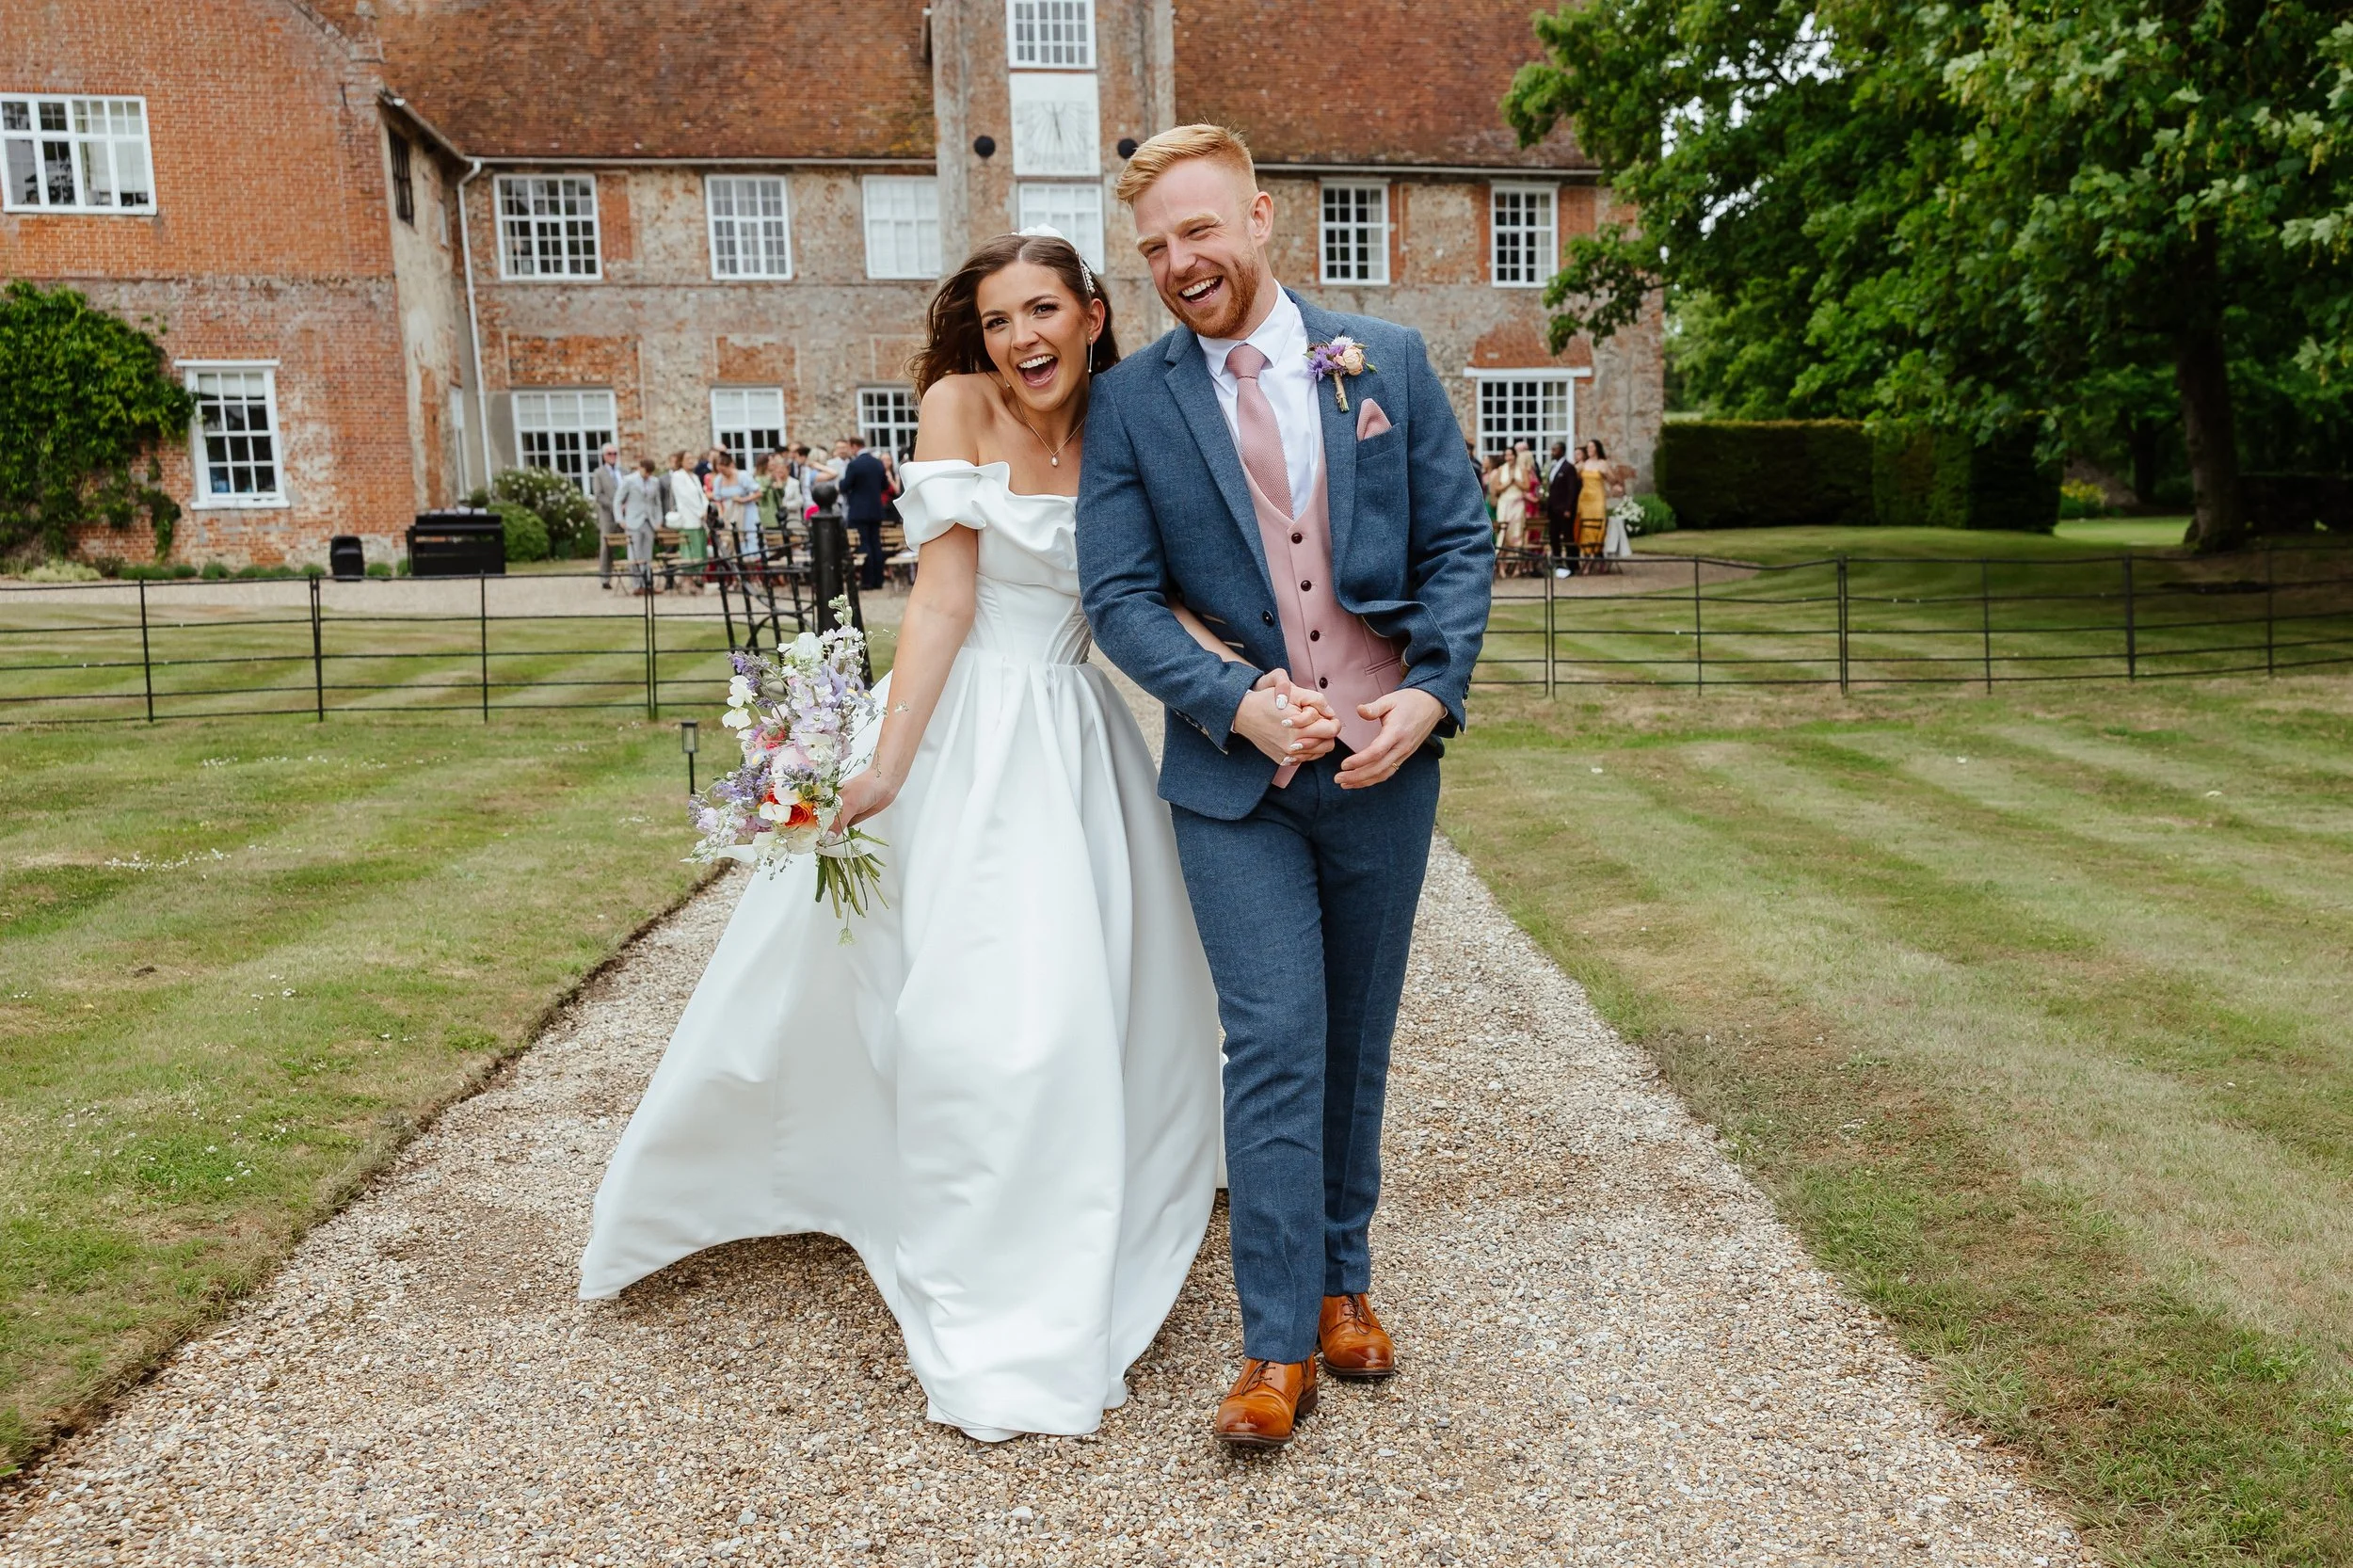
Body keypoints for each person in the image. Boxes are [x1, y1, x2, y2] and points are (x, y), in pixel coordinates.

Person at [581, 227, 1231, 1445]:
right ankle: (915, 1200)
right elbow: (945, 591)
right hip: (961, 731)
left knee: (1091, 995)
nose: (1021, 337)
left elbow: (1164, 587)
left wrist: (1264, 668)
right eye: (998, 319)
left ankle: (1073, 1190)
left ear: (1093, 313)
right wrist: (886, 764)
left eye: (1043, 309)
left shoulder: (1137, 418)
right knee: (927, 999)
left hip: (1080, 735)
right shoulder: (954, 406)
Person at [1079, 124, 1494, 1448]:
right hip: (1231, 782)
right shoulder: (1134, 401)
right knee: (1270, 1037)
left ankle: (1339, 1282)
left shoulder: (1390, 359)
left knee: (1357, 1034)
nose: (1177, 262)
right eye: (1152, 248)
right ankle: (1269, 1347)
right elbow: (1122, 599)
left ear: (1258, 217)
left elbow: (1462, 541)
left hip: (1386, 763)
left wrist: (1427, 696)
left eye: (1197, 231)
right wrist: (1236, 704)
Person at [836, 435, 890, 592]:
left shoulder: (854, 465)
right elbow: (885, 485)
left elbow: (845, 486)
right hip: (876, 509)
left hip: (859, 510)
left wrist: (840, 483)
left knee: (864, 544)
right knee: (876, 543)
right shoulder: (877, 463)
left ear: (854, 446)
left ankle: (867, 580)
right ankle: (878, 580)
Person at [616, 457, 664, 594]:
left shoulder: (654, 482)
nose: (648, 475)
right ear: (640, 468)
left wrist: (658, 520)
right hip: (633, 521)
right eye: (646, 472)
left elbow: (657, 503)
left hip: (649, 521)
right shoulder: (629, 480)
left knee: (647, 555)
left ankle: (648, 583)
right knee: (635, 554)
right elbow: (618, 500)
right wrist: (620, 519)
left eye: (650, 473)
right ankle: (637, 584)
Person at [664, 452, 704, 594]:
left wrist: (704, 508)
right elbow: (686, 498)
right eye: (688, 459)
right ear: (681, 461)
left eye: (692, 458)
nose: (691, 461)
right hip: (688, 520)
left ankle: (694, 579)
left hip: (699, 521)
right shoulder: (678, 476)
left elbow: (701, 495)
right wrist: (700, 511)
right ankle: (687, 580)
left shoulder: (695, 477)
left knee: (699, 551)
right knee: (689, 551)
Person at [1576, 439, 1613, 573]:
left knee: (1596, 525)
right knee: (1585, 527)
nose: (1589, 449)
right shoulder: (1584, 464)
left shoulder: (1602, 463)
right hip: (1585, 499)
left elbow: (1613, 480)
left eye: (1592, 447)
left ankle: (1593, 556)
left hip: (1597, 498)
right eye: (1588, 447)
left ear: (1597, 448)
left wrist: (1605, 474)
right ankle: (1586, 556)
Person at [591, 444, 624, 588]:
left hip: (626, 514)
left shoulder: (624, 471)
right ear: (604, 456)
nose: (613, 456)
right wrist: (615, 506)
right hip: (608, 515)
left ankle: (637, 576)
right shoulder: (599, 473)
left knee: (633, 540)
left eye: (615, 453)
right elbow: (598, 495)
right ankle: (605, 577)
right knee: (606, 546)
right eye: (610, 454)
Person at [1543, 440, 1576, 578]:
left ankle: (1573, 564)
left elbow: (1572, 489)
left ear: (1562, 451)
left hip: (1563, 509)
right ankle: (1558, 564)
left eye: (1555, 450)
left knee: (1567, 537)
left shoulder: (1568, 468)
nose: (1552, 452)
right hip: (1553, 509)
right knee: (1554, 537)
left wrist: (1569, 508)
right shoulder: (1553, 466)